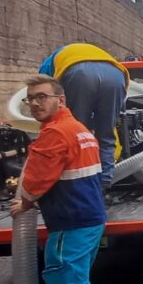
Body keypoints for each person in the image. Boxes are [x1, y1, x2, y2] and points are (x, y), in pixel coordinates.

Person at [10, 75, 106, 284]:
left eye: (42, 97)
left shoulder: (55, 133)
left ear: (60, 100)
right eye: (31, 99)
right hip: (90, 218)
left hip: (71, 222)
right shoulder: (79, 129)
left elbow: (37, 177)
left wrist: (24, 201)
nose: (35, 103)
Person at [38, 42, 129, 186]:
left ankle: (79, 184)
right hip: (116, 74)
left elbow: (44, 95)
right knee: (106, 135)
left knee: (75, 135)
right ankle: (104, 185)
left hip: (79, 72)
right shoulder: (87, 51)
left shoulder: (47, 65)